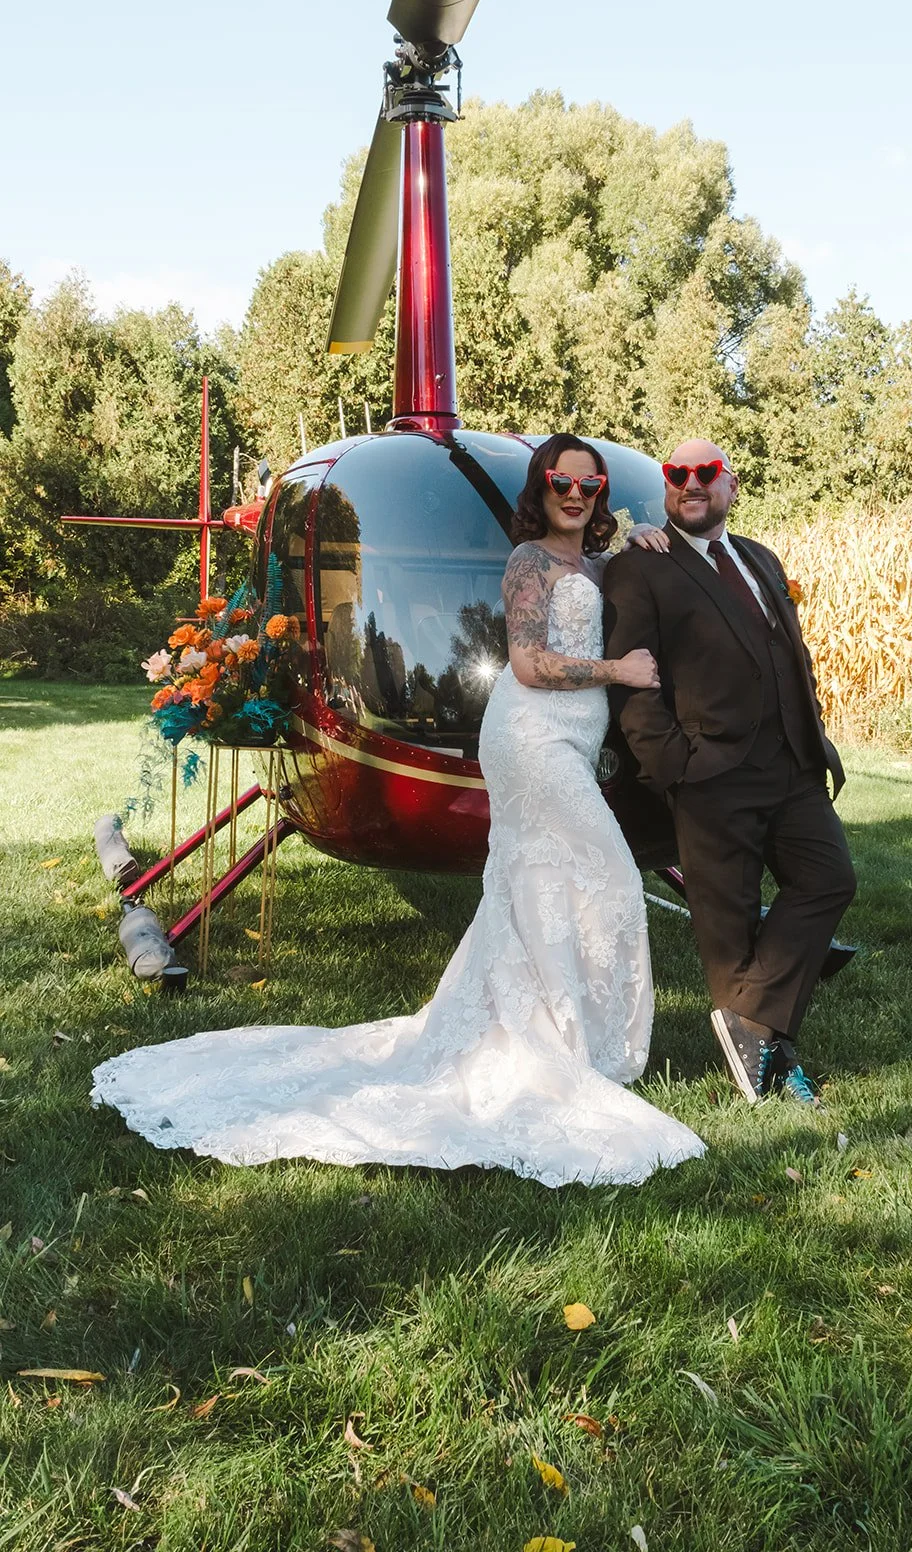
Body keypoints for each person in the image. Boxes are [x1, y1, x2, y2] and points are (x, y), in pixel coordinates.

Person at [92, 435, 706, 1186]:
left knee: (540, 882)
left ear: (602, 492)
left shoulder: (596, 564)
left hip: (574, 741)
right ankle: (571, 1042)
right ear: (540, 491)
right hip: (531, 735)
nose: (573, 494)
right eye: (558, 481)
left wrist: (653, 536)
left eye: (589, 483)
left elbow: (640, 580)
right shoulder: (528, 563)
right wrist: (617, 669)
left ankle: (551, 1031)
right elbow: (526, 663)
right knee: (607, 875)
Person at [602, 438, 855, 1108]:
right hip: (709, 771)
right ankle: (773, 1063)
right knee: (729, 921)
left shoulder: (759, 558)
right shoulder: (642, 569)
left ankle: (746, 1019)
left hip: (794, 764)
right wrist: (672, 768)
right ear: (666, 488)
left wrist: (814, 733)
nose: (690, 483)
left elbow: (786, 654)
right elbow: (632, 682)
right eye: (677, 474)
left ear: (730, 486)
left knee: (829, 879)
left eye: (704, 474)